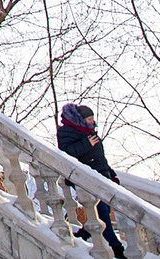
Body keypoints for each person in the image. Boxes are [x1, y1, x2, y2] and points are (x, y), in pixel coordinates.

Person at [57, 102, 127, 259]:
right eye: (89, 119)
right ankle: (116, 248)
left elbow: (100, 158)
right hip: (85, 179)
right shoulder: (67, 132)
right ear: (80, 120)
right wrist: (86, 144)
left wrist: (111, 175)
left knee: (102, 211)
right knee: (102, 212)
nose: (92, 122)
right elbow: (66, 153)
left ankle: (84, 233)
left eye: (92, 119)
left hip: (100, 177)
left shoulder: (90, 133)